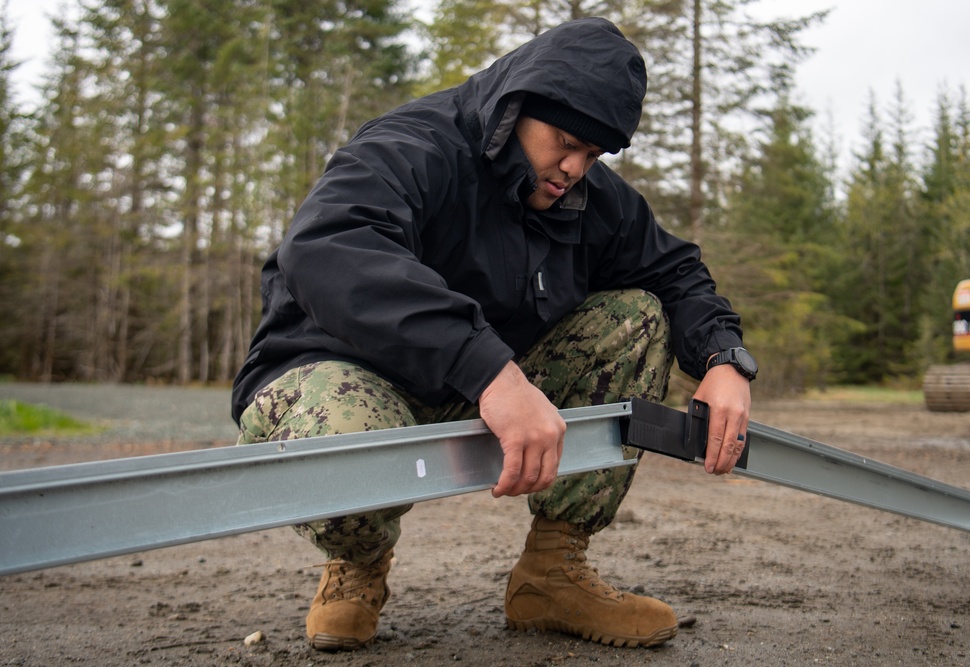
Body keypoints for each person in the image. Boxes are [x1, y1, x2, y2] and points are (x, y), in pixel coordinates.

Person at [231, 17, 754, 652]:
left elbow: (674, 271)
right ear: (517, 106)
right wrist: (489, 370)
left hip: (479, 387)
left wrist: (722, 359)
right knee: (347, 462)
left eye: (592, 154)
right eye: (564, 141)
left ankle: (552, 574)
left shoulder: (585, 196)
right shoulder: (411, 147)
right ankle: (358, 563)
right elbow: (327, 246)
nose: (573, 167)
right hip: (347, 373)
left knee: (636, 314)